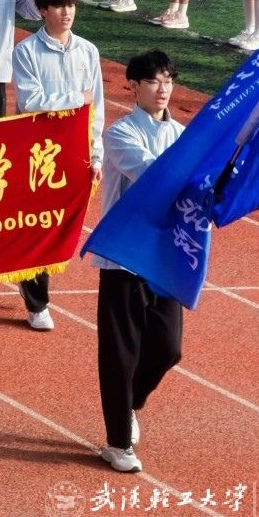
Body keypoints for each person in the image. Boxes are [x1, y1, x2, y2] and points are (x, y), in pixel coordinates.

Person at [91, 50, 186, 474]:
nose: (162, 89)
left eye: (167, 80)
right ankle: (117, 443)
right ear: (133, 86)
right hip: (124, 257)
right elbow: (153, 176)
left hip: (164, 257)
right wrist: (195, 165)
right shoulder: (120, 134)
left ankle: (130, 402)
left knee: (168, 348)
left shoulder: (182, 134)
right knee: (120, 353)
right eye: (152, 81)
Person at [11, 0, 104, 331]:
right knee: (35, 227)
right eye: (59, 6)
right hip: (36, 156)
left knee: (59, 228)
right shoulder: (27, 52)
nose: (67, 13)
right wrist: (76, 98)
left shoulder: (88, 52)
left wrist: (97, 155)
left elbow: (97, 108)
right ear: (43, 11)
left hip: (74, 155)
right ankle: (37, 303)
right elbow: (31, 101)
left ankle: (27, 275)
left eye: (71, 6)